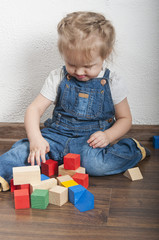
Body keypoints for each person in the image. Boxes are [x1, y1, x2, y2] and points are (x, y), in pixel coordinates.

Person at [0, 11, 150, 191]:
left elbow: (125, 119)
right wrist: (36, 139)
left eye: (88, 66)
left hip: (90, 141)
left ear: (105, 54)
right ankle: (2, 173)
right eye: (71, 64)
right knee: (24, 152)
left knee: (96, 165)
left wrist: (108, 136)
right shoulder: (58, 76)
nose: (79, 72)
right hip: (55, 136)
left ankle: (133, 148)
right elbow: (34, 110)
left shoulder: (112, 82)